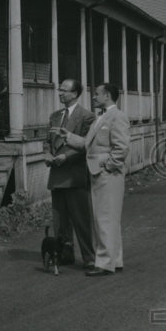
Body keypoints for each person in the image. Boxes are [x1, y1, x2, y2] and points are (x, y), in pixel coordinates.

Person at [55, 82, 130, 276]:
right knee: (108, 218)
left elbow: (121, 148)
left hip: (107, 174)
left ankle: (104, 263)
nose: (94, 97)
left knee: (105, 218)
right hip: (98, 173)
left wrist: (108, 166)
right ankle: (115, 259)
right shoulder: (101, 117)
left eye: (97, 94)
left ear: (107, 96)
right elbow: (87, 144)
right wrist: (69, 136)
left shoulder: (117, 117)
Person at [44, 78, 96, 268]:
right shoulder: (54, 116)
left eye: (64, 90)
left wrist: (67, 158)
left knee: (81, 220)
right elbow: (47, 141)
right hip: (57, 175)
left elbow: (87, 145)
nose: (60, 93)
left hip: (75, 174)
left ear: (75, 93)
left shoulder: (87, 117)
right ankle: (64, 254)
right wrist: (47, 154)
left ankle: (90, 258)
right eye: (60, 89)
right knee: (60, 220)